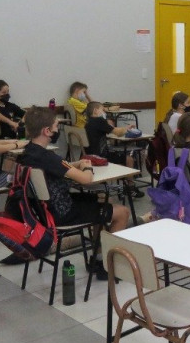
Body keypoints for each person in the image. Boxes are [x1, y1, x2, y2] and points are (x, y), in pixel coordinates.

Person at [19, 106, 129, 279]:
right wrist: (87, 168)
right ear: (46, 131)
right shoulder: (47, 156)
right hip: (63, 212)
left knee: (100, 200)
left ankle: (98, 258)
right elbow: (86, 179)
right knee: (122, 212)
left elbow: (58, 166)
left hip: (43, 211)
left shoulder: (28, 153)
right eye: (56, 126)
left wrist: (76, 164)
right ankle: (109, 266)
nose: (57, 130)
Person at [84, 101, 144, 198]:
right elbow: (118, 133)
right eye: (102, 110)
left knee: (120, 155)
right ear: (95, 111)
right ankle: (130, 188)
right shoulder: (99, 121)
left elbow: (110, 130)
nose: (104, 113)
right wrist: (127, 129)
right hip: (101, 158)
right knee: (129, 159)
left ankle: (127, 187)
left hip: (90, 157)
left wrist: (123, 128)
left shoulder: (88, 123)